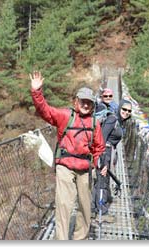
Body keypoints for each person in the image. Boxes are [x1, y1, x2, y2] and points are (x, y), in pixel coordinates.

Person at [30, 71, 106, 240]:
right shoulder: (65, 115)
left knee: (85, 207)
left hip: (85, 168)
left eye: (89, 103)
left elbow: (99, 147)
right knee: (64, 205)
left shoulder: (95, 123)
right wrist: (36, 92)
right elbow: (45, 111)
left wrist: (101, 162)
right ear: (76, 101)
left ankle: (80, 238)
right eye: (83, 101)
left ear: (93, 106)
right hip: (65, 165)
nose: (86, 105)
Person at [91, 98, 133, 221]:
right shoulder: (113, 119)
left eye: (129, 111)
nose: (126, 112)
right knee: (102, 182)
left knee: (100, 181)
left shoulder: (119, 121)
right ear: (119, 108)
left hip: (108, 152)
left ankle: (93, 210)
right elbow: (102, 139)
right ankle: (101, 213)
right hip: (104, 152)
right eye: (124, 109)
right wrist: (103, 161)